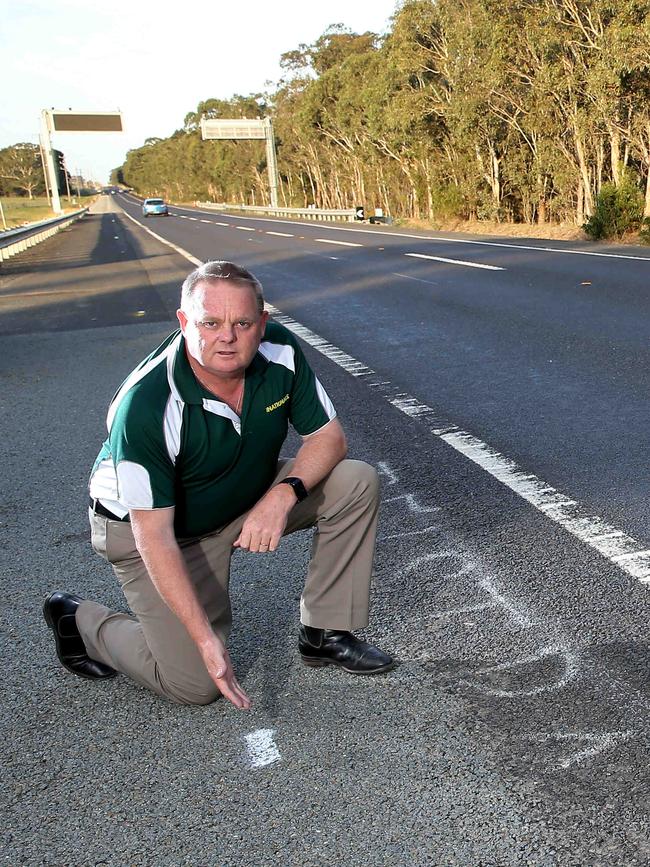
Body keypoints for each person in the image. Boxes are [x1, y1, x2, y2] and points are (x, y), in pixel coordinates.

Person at [43, 260, 394, 709]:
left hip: (237, 495)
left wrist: (280, 497)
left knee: (353, 481)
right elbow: (153, 536)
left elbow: (328, 439)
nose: (227, 336)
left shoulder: (279, 352)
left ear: (262, 323)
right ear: (185, 322)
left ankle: (324, 632)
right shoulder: (148, 404)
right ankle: (81, 622)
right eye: (210, 323)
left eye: (242, 323)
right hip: (155, 531)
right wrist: (204, 639)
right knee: (195, 683)